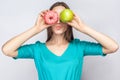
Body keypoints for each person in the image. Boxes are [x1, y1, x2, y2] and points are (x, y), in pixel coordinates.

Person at [2, 1, 119, 80]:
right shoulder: (37, 49)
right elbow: (7, 50)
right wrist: (35, 29)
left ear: (68, 21)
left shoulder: (79, 47)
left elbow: (113, 47)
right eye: (54, 17)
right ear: (48, 21)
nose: (58, 22)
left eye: (62, 17)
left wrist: (84, 28)